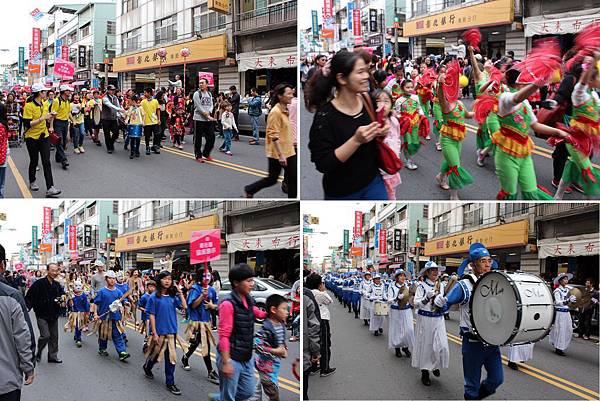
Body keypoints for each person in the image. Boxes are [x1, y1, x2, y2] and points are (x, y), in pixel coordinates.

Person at [307, 50, 389, 199]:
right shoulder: (324, 117)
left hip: (373, 182)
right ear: (342, 79)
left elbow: (376, 132)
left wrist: (381, 130)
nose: (366, 76)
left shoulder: (367, 99)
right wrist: (356, 140)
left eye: (366, 71)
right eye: (360, 72)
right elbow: (323, 163)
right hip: (342, 192)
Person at [435, 243, 503, 399]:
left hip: (492, 340)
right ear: (473, 265)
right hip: (473, 342)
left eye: (489, 261)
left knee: (496, 379)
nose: (487, 265)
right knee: (472, 384)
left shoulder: (496, 281)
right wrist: (440, 304)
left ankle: (475, 397)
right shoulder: (464, 285)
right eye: (482, 261)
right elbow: (445, 306)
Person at [216, 263, 267, 401]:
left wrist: (270, 314)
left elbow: (255, 312)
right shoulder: (228, 304)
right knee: (229, 396)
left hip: (246, 355)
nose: (252, 284)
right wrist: (226, 362)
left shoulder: (249, 299)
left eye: (252, 280)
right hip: (231, 357)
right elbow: (224, 335)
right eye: (249, 281)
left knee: (247, 392)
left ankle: (220, 397)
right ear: (236, 283)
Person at [554, 53, 600, 199]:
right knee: (588, 171)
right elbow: (581, 83)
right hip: (575, 140)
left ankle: (558, 195)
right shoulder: (579, 93)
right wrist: (594, 62)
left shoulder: (594, 95)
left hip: (587, 140)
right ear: (590, 79)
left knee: (573, 165)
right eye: (597, 76)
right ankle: (590, 201)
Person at [244, 83, 297, 198]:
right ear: (280, 96)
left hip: (290, 150)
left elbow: (285, 130)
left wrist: (293, 141)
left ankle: (250, 189)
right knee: (273, 179)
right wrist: (281, 155)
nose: (292, 95)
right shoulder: (275, 112)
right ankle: (250, 189)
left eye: (292, 93)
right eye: (289, 93)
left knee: (293, 179)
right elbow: (273, 134)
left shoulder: (286, 109)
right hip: (278, 153)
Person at [143, 270, 187, 396]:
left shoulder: (173, 296)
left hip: (172, 333)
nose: (167, 281)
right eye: (165, 279)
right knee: (155, 356)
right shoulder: (153, 297)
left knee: (171, 359)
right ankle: (147, 367)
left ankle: (170, 382)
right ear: (159, 280)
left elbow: (184, 307)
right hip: (159, 333)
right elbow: (151, 315)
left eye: (169, 279)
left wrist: (180, 293)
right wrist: (155, 333)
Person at [436, 61, 475, 200]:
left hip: (458, 140)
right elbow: (440, 97)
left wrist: (481, 107)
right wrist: (440, 84)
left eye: (460, 88)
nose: (460, 90)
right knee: (455, 167)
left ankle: (440, 177)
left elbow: (469, 115)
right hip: (447, 140)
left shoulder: (459, 103)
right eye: (457, 88)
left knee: (450, 162)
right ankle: (454, 196)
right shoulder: (446, 105)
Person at [411, 261, 449, 387]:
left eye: (436, 270)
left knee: (441, 344)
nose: (435, 272)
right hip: (426, 319)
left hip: (438, 318)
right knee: (426, 345)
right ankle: (425, 372)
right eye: (432, 270)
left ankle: (435, 364)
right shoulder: (421, 286)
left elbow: (444, 301)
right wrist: (426, 298)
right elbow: (415, 304)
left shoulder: (441, 286)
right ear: (427, 272)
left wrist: (444, 303)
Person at [22, 84, 61, 197]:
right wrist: (42, 118)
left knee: (46, 162)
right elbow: (27, 123)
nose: (46, 93)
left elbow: (47, 117)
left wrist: (51, 117)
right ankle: (32, 181)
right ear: (40, 93)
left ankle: (50, 187)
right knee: (34, 161)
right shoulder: (28, 106)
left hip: (44, 136)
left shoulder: (45, 104)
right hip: (32, 138)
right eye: (44, 91)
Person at [181, 272, 219, 385]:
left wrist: (211, 306)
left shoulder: (211, 290)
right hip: (196, 322)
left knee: (197, 343)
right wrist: (202, 296)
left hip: (206, 322)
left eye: (208, 275)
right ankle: (210, 371)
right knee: (205, 344)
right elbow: (192, 305)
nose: (207, 277)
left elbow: (214, 305)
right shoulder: (195, 289)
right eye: (204, 275)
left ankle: (185, 357)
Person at [250, 294, 288, 401]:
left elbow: (280, 341)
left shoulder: (281, 324)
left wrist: (284, 349)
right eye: (284, 309)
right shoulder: (266, 328)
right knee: (272, 395)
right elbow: (256, 344)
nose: (287, 312)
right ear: (273, 310)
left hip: (273, 365)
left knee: (257, 394)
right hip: (266, 367)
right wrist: (276, 351)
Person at [25, 262, 65, 364]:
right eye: (52, 270)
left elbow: (62, 296)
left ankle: (52, 356)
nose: (55, 273)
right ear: (47, 271)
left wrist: (63, 299)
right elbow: (30, 297)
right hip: (41, 314)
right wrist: (26, 308)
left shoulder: (57, 285)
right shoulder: (39, 284)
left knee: (54, 337)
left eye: (56, 271)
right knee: (45, 335)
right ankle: (39, 351)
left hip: (54, 314)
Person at [91, 270, 130, 361]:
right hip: (103, 318)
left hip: (115, 318)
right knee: (103, 335)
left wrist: (126, 303)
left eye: (113, 278)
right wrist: (96, 314)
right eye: (110, 278)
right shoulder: (102, 292)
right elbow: (96, 303)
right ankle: (102, 348)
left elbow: (122, 301)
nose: (112, 280)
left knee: (117, 335)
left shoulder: (118, 292)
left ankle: (122, 352)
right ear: (106, 279)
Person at [306, 273, 335, 377]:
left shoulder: (307, 293)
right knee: (325, 345)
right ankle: (325, 368)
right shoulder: (320, 293)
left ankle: (313, 367)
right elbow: (330, 301)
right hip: (322, 320)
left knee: (314, 343)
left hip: (311, 320)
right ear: (319, 284)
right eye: (322, 283)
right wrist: (323, 289)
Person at [386, 269, 414, 358]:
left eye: (404, 275)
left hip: (406, 311)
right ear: (397, 278)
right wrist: (396, 298)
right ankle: (397, 348)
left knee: (409, 329)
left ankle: (405, 347)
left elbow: (411, 299)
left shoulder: (408, 286)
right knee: (397, 330)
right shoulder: (392, 287)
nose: (403, 277)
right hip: (396, 311)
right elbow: (389, 301)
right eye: (400, 275)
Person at [549, 272, 575, 356]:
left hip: (567, 313)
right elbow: (558, 302)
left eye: (567, 279)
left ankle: (560, 345)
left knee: (568, 329)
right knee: (561, 330)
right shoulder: (557, 291)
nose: (566, 280)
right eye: (564, 279)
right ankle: (558, 348)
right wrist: (568, 301)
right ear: (560, 281)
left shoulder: (568, 290)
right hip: (560, 313)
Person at [303, 282, 321, 401]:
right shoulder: (307, 297)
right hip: (305, 355)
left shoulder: (305, 298)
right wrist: (316, 352)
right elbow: (313, 328)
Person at [193, 78, 217, 162]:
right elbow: (199, 107)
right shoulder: (196, 94)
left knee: (211, 137)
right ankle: (198, 155)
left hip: (208, 120)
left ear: (207, 84)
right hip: (198, 119)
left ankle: (206, 154)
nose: (200, 84)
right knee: (198, 138)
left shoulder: (209, 94)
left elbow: (211, 105)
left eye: (202, 83)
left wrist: (209, 112)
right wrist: (207, 115)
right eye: (199, 83)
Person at [48, 84, 71, 170]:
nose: (69, 92)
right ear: (64, 92)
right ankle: (64, 160)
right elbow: (53, 114)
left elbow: (68, 113)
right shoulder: (57, 101)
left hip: (65, 123)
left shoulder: (67, 101)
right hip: (58, 123)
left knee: (64, 142)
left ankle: (58, 157)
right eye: (68, 90)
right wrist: (51, 126)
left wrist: (73, 121)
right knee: (60, 141)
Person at [64, 280, 90, 348]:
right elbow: (69, 305)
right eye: (76, 285)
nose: (78, 287)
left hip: (82, 313)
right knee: (77, 326)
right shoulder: (72, 295)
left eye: (79, 285)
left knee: (80, 326)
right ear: (73, 287)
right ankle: (78, 338)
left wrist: (87, 312)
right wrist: (70, 300)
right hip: (75, 313)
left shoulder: (83, 295)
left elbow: (86, 304)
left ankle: (77, 335)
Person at [101, 85, 125, 154]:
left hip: (113, 118)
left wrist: (122, 115)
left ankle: (111, 143)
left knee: (116, 132)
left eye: (114, 90)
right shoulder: (105, 98)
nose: (113, 91)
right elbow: (110, 105)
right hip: (105, 119)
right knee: (107, 134)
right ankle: (109, 148)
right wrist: (119, 109)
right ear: (108, 91)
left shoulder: (115, 98)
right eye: (112, 90)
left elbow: (118, 106)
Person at [140, 88, 161, 155]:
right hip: (146, 122)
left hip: (154, 121)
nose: (144, 94)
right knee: (147, 136)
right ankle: (147, 147)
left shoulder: (155, 101)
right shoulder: (143, 101)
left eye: (145, 92)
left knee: (157, 134)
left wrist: (159, 119)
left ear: (149, 93)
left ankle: (155, 146)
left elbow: (158, 110)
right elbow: (139, 109)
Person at [138, 279, 156, 350]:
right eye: (150, 286)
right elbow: (139, 306)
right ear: (147, 287)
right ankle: (146, 343)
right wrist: (144, 310)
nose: (152, 288)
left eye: (153, 287)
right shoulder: (144, 297)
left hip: (154, 317)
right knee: (148, 331)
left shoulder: (156, 296)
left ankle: (152, 344)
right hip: (146, 318)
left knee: (153, 331)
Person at [125, 94, 144, 159]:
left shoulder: (140, 108)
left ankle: (137, 151)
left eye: (130, 101)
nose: (129, 102)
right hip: (132, 124)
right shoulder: (131, 108)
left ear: (133, 101)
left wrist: (143, 122)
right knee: (132, 139)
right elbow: (128, 115)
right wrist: (126, 121)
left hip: (138, 124)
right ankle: (132, 152)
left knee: (138, 139)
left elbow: (144, 115)